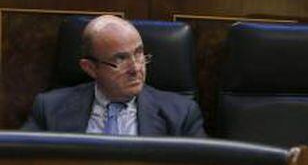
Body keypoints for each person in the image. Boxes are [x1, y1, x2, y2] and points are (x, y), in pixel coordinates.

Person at [22, 15, 205, 137]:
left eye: (139, 53)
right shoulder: (49, 109)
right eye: (120, 59)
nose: (136, 68)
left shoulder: (182, 114)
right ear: (90, 68)